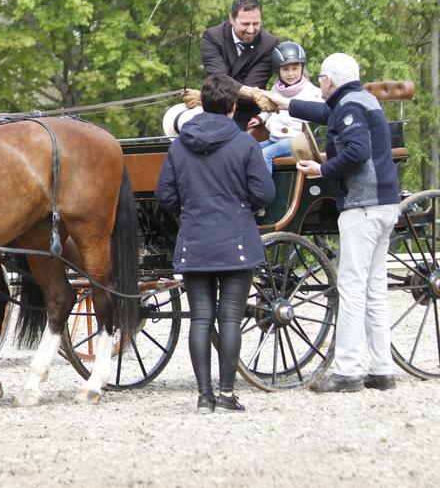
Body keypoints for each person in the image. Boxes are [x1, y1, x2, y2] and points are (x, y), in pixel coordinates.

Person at [264, 53, 401, 393]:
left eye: (322, 79)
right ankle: (382, 370)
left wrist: (321, 169)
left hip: (363, 206)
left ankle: (348, 371)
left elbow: (357, 151)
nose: (320, 84)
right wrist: (282, 103)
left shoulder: (349, 106)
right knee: (373, 289)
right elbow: (323, 113)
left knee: (351, 289)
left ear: (329, 81)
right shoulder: (360, 100)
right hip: (384, 204)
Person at [157, 75, 274, 414]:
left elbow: (165, 194)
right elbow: (264, 193)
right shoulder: (245, 144)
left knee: (201, 319)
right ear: (233, 107)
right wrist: (244, 206)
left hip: (195, 239)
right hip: (236, 238)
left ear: (203, 104)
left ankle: (204, 397)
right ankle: (226, 395)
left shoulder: (179, 145)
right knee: (230, 319)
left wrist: (189, 210)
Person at [194, 0, 282, 129]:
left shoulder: (270, 44)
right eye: (245, 24)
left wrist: (212, 92)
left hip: (249, 119)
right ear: (231, 18)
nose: (251, 30)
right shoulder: (212, 37)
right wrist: (252, 92)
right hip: (215, 113)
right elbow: (220, 78)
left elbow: (251, 85)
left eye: (256, 23)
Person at [247, 41, 324, 172]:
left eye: (295, 69)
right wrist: (260, 118)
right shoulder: (276, 89)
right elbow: (270, 108)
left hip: (296, 141)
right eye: (285, 69)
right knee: (249, 151)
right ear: (278, 70)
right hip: (275, 138)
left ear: (302, 68)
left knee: (265, 154)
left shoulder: (312, 92)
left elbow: (320, 113)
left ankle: (264, 186)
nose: (290, 74)